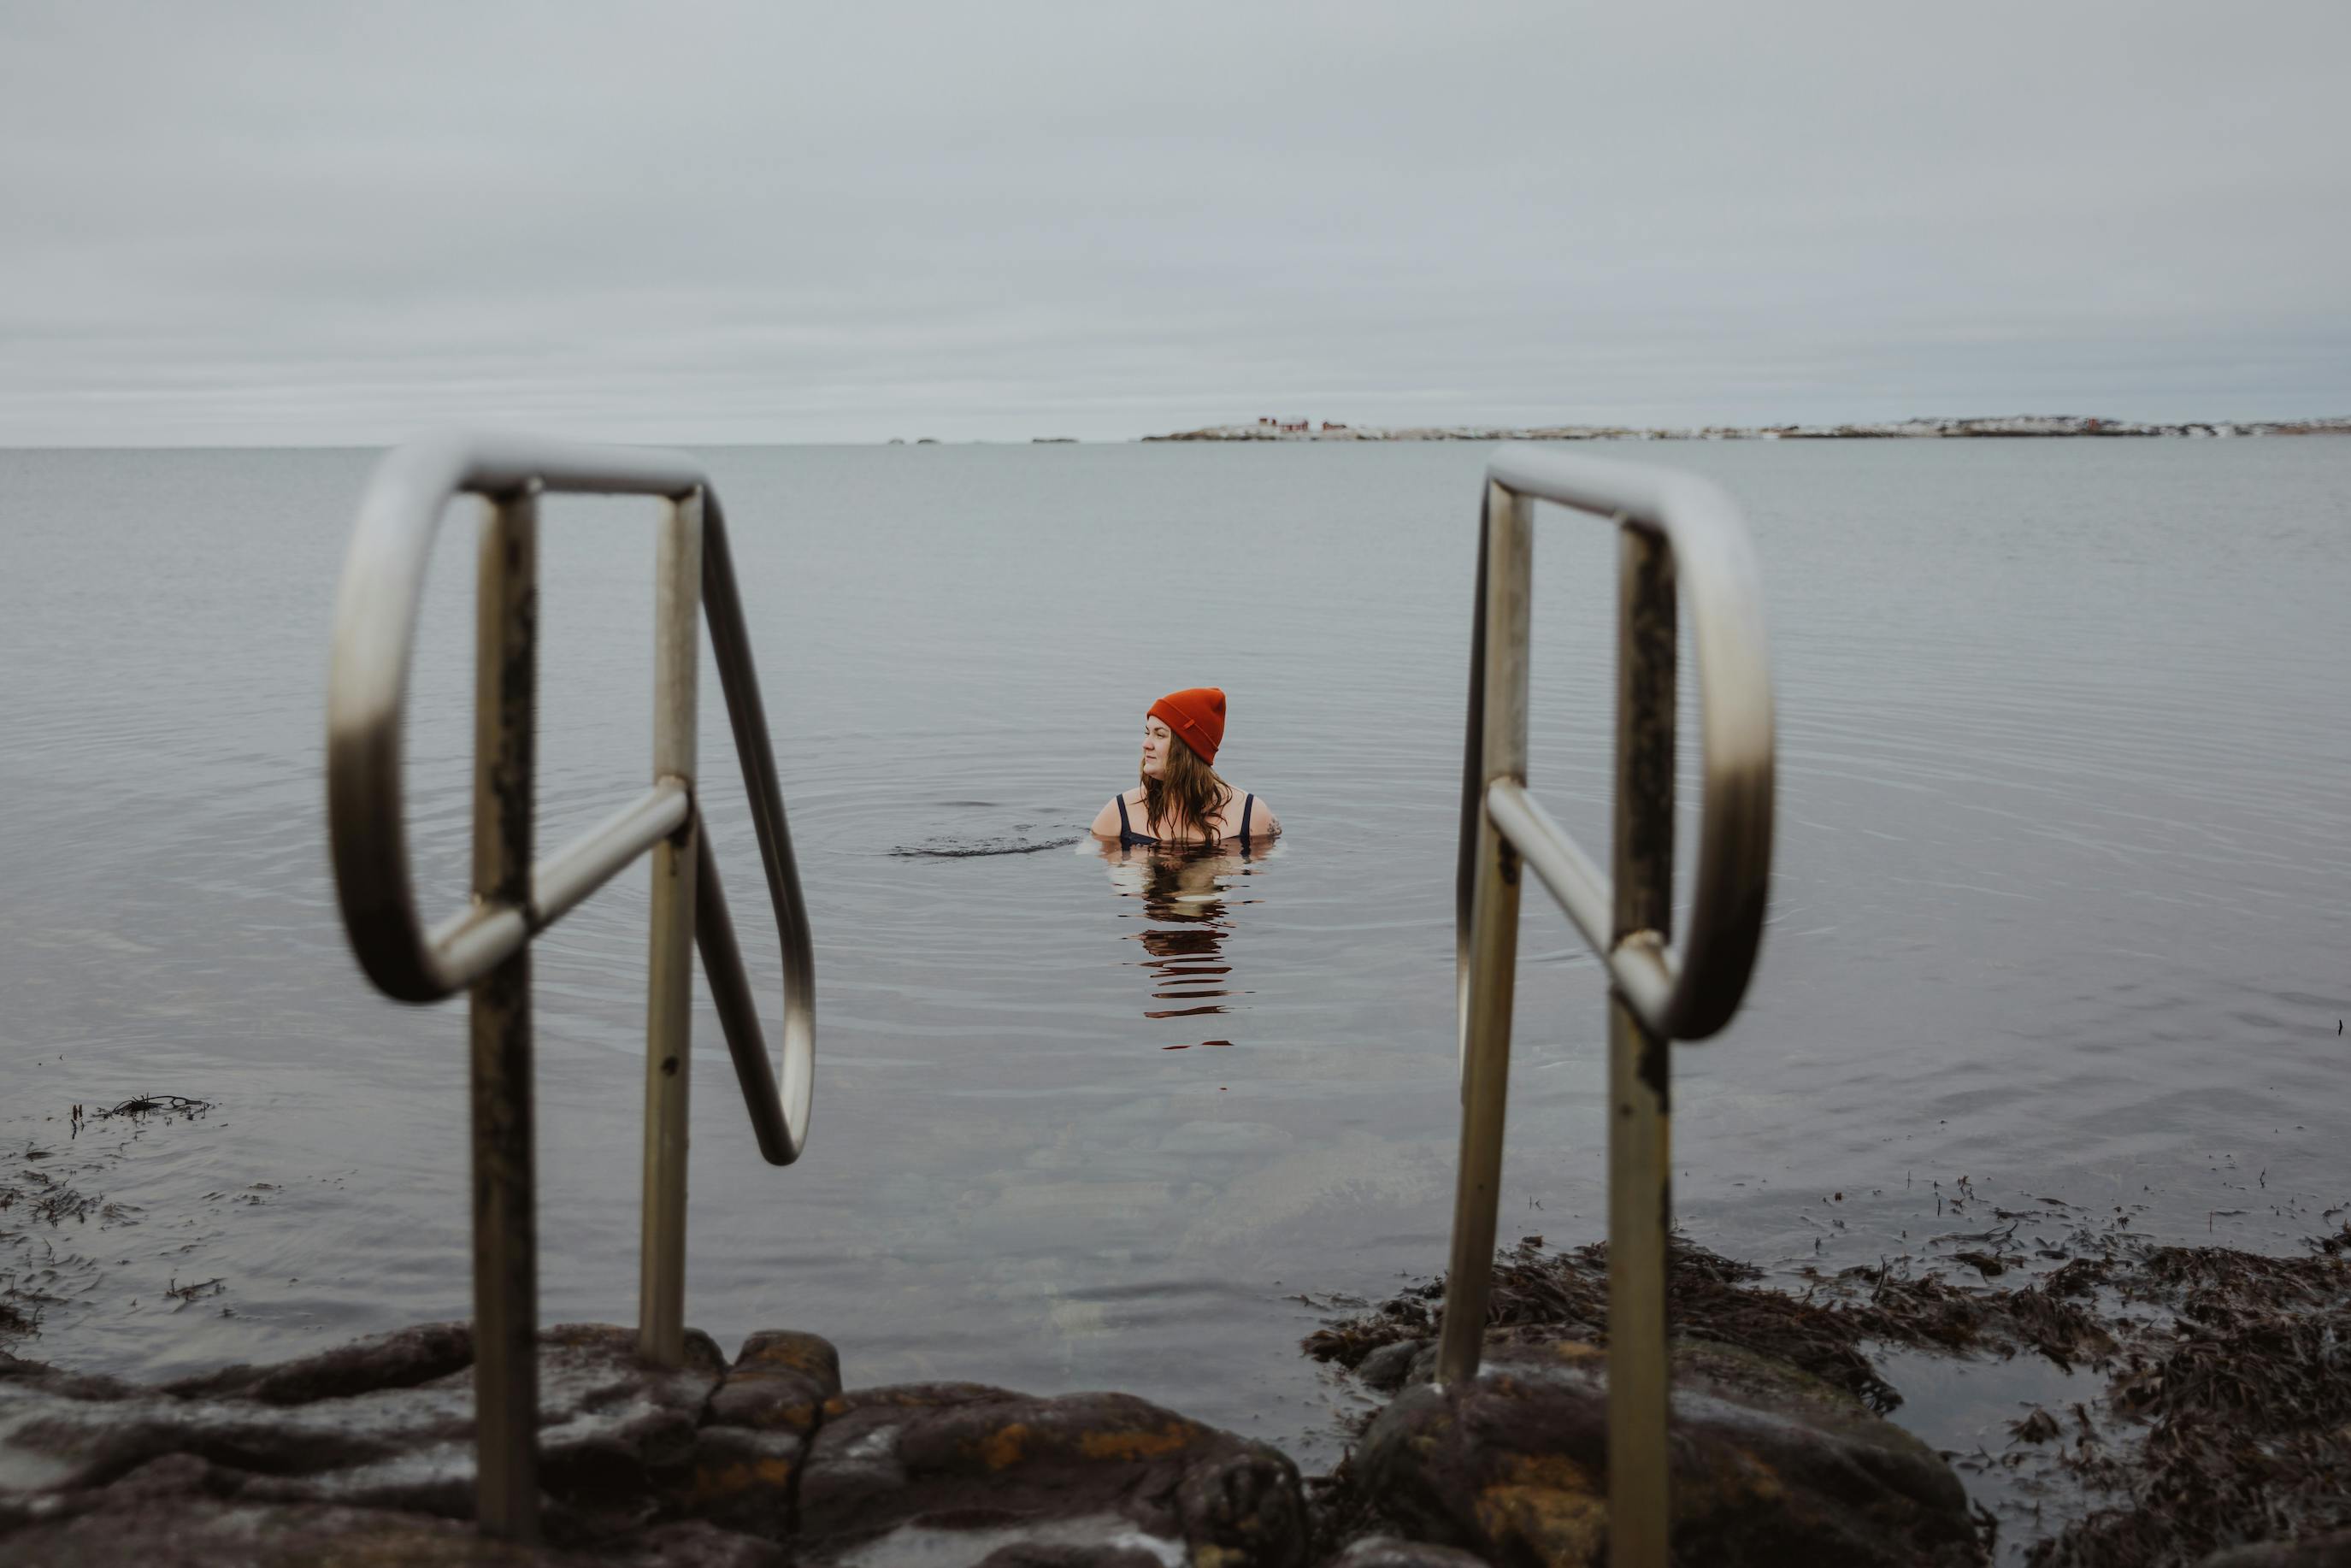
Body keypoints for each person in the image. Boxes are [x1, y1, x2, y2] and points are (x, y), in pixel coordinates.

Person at [1089, 687, 1280, 849]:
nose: (1146, 744)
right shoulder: (1120, 812)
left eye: (1160, 735)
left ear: (1189, 749)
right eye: (1148, 733)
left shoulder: (1251, 814)